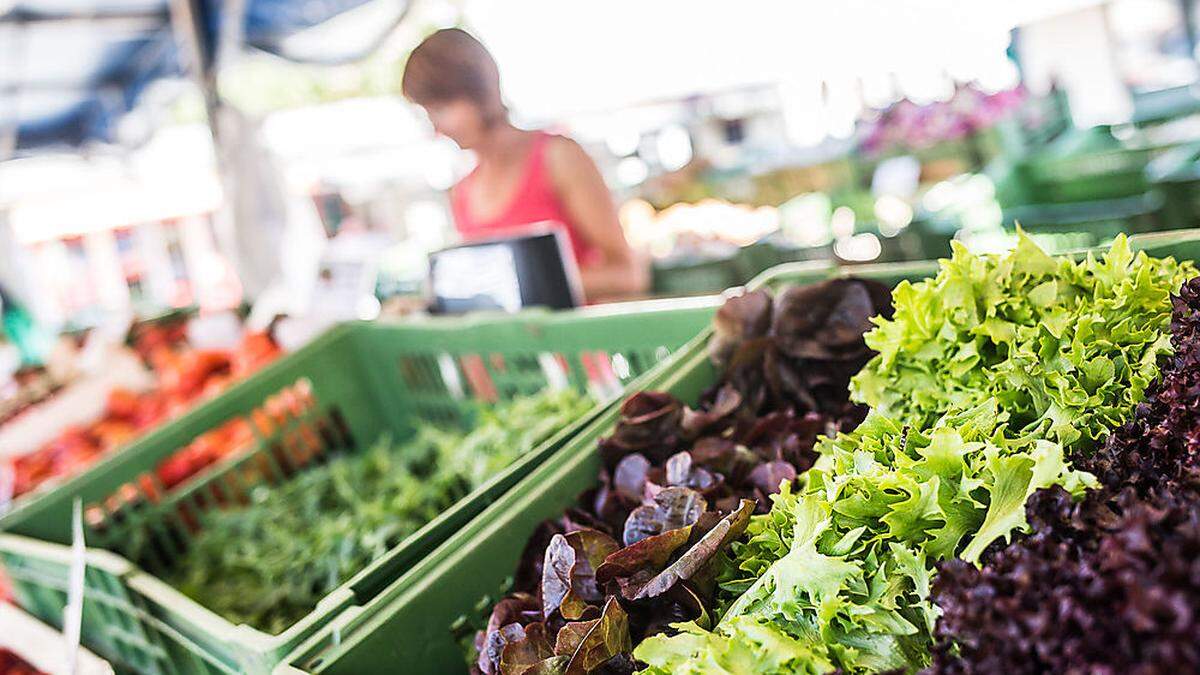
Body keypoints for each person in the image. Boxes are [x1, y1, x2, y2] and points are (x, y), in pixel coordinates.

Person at [401, 28, 649, 302]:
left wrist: (523, 284)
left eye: (441, 109)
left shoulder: (558, 157)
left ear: (478, 90)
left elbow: (628, 274)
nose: (437, 127)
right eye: (428, 113)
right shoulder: (462, 192)